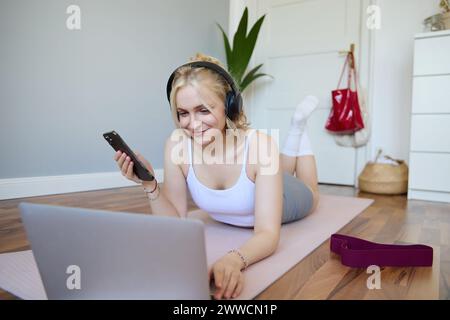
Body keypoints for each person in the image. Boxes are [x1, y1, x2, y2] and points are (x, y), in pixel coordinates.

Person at [113, 53, 320, 300]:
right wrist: (150, 185)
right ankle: (286, 153)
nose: (192, 124)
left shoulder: (260, 146)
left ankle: (298, 129)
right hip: (262, 177)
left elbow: (267, 233)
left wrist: (235, 260)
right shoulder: (177, 144)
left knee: (310, 191)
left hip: (286, 198)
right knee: (279, 171)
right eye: (183, 113)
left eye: (203, 110)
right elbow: (175, 221)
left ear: (229, 105)